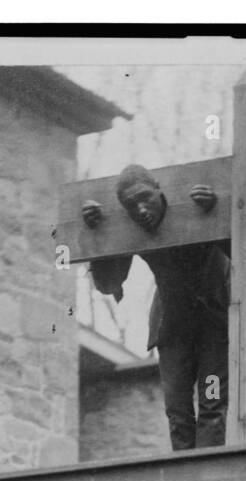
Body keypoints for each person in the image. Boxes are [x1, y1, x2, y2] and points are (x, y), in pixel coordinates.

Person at [84, 166, 229, 451]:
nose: (140, 209)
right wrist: (96, 234)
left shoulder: (196, 208)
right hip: (173, 331)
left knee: (212, 403)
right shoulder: (133, 228)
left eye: (145, 197)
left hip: (213, 326)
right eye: (130, 205)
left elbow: (241, 249)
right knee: (178, 410)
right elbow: (109, 281)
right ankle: (184, 474)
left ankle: (207, 470)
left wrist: (215, 210)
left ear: (160, 188)